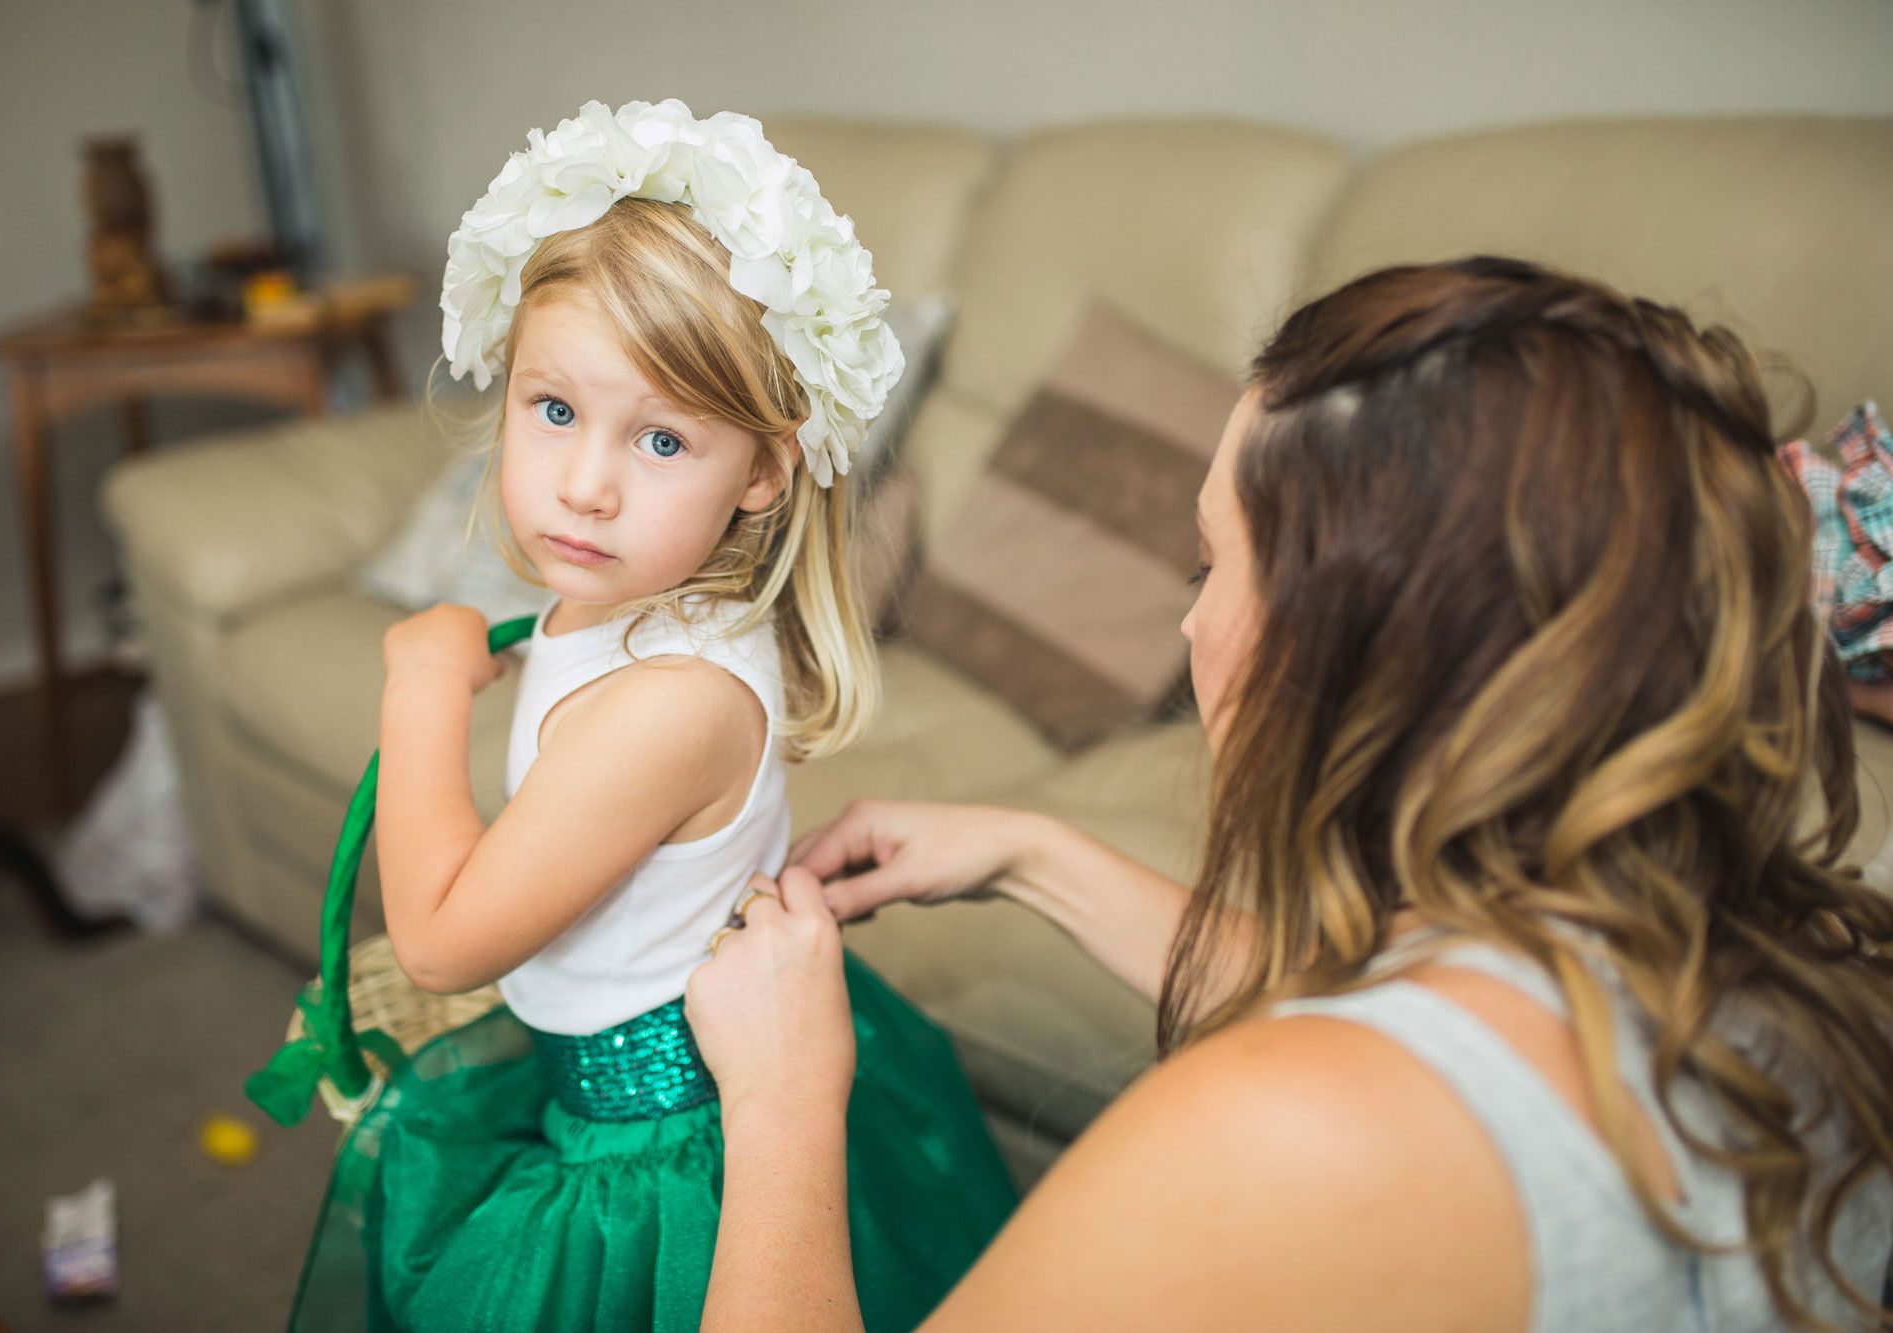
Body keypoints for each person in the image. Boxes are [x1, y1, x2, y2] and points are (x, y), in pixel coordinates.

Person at [687, 257, 1893, 1332]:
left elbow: (1341, 1081)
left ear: (1353, 639)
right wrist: (1030, 854)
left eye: (1211, 562)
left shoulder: (1283, 1136)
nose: (1189, 616)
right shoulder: (1782, 974)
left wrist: (782, 1105)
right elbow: (1409, 1029)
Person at [286, 100, 1016, 1333]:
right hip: (622, 1078)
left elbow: (443, 944)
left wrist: (418, 689)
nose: (583, 482)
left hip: (673, 1156)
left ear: (765, 470)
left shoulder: (672, 703)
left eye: (662, 437)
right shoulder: (632, 600)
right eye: (553, 409)